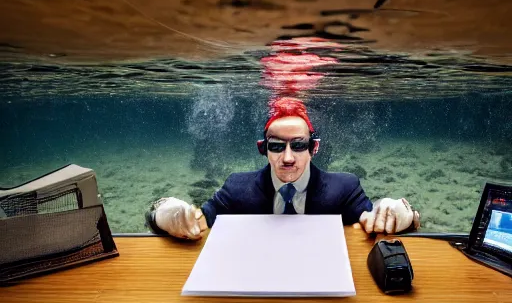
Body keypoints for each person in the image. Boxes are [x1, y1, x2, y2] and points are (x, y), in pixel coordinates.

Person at [146, 97, 420, 238]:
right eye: (277, 146)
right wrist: (163, 212)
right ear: (264, 150)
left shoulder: (343, 187)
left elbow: (375, 220)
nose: (288, 158)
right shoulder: (237, 187)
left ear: (314, 149)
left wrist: (404, 214)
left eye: (298, 145)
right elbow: (195, 221)